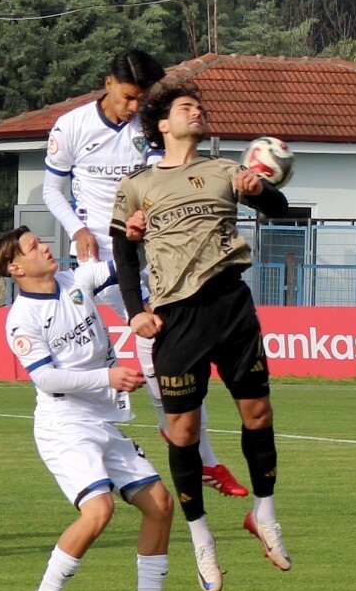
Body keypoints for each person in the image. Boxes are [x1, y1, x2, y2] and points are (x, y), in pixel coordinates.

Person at [110, 81, 292, 591]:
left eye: (198, 106)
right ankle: (200, 537)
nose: (196, 111)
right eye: (184, 107)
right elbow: (123, 252)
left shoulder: (226, 170)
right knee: (184, 431)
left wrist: (262, 191)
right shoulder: (138, 185)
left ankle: (265, 513)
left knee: (258, 415)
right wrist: (133, 313)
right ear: (162, 124)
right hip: (176, 317)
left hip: (231, 305)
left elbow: (278, 208)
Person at [41, 49, 247, 499]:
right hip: (102, 255)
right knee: (155, 346)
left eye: (143, 99)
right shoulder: (72, 126)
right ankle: (197, 455)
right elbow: (50, 189)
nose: (136, 108)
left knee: (169, 357)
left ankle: (195, 451)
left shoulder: (148, 127)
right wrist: (77, 230)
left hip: (156, 251)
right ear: (108, 81)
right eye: (130, 98)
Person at [0, 226, 190, 591]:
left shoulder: (75, 280)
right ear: (15, 267)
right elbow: (45, 379)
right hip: (64, 425)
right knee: (99, 510)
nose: (46, 247)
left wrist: (138, 232)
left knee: (160, 505)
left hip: (103, 419)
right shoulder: (21, 319)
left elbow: (124, 266)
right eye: (34, 246)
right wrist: (107, 377)